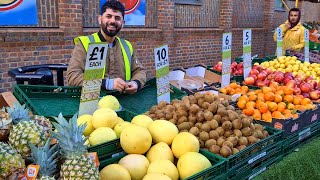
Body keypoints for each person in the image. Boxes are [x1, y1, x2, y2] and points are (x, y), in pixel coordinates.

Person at [67, 0, 146, 94]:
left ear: (123, 23)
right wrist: (107, 84)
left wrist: (136, 83)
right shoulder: (85, 43)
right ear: (100, 19)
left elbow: (140, 71)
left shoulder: (127, 46)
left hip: (123, 101)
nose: (112, 21)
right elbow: (73, 76)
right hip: (93, 104)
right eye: (108, 16)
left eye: (117, 18)